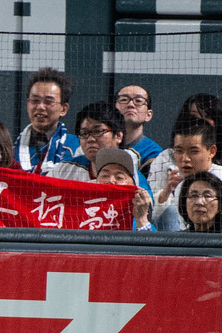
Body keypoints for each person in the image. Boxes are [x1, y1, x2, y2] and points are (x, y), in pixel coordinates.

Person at [148, 94, 222, 230]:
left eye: (194, 151)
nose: (185, 159)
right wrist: (166, 191)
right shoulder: (180, 182)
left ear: (212, 151)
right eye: (179, 151)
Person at [47, 101, 152, 195]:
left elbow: (143, 215)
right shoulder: (62, 171)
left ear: (119, 136)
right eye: (84, 133)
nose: (90, 139)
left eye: (98, 132)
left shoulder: (135, 180)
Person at [13, 67, 79, 175]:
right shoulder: (12, 151)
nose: (40, 107)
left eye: (48, 102)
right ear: (27, 104)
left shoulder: (76, 148)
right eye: (35, 100)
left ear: (64, 109)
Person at [94, 148, 155, 231]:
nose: (111, 181)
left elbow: (149, 243)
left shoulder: (141, 223)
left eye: (119, 177)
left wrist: (141, 220)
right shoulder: (83, 214)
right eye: (105, 175)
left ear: (134, 186)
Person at [114, 84, 162, 177]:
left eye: (138, 101)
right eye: (124, 100)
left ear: (148, 115)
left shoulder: (154, 154)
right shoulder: (99, 145)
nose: (131, 105)